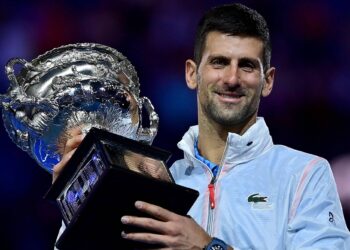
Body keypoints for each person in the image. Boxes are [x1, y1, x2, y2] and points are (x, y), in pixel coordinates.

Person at [53, 3, 350, 249]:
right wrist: (78, 202)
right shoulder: (161, 184)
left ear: (268, 81)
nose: (232, 79)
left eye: (246, 65)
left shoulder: (304, 175)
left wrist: (209, 247)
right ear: (192, 74)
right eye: (219, 62)